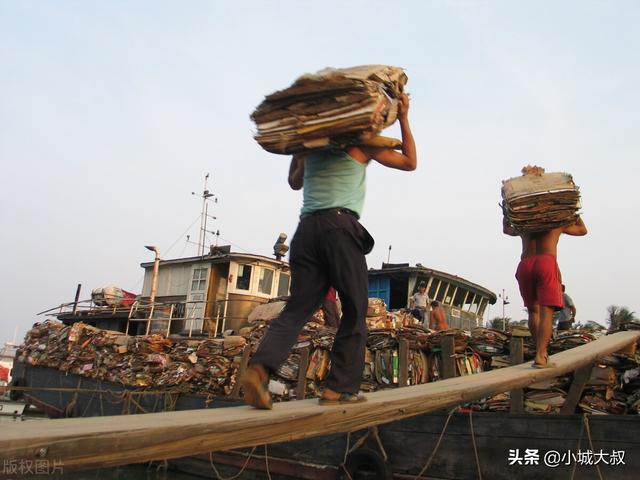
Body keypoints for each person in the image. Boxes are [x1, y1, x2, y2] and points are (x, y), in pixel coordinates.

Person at [240, 93, 417, 409]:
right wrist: (403, 117)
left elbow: (295, 183)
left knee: (297, 308)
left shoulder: (311, 149)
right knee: (355, 306)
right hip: (340, 228)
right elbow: (409, 162)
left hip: (306, 232)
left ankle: (260, 368)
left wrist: (300, 147)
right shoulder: (362, 144)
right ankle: (338, 389)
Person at [503, 211, 587, 368]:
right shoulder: (556, 223)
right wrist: (573, 212)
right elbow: (582, 230)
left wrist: (506, 215)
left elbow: (507, 229)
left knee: (533, 311)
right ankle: (541, 355)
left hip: (525, 264)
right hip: (546, 262)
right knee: (546, 312)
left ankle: (540, 351)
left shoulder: (525, 224)